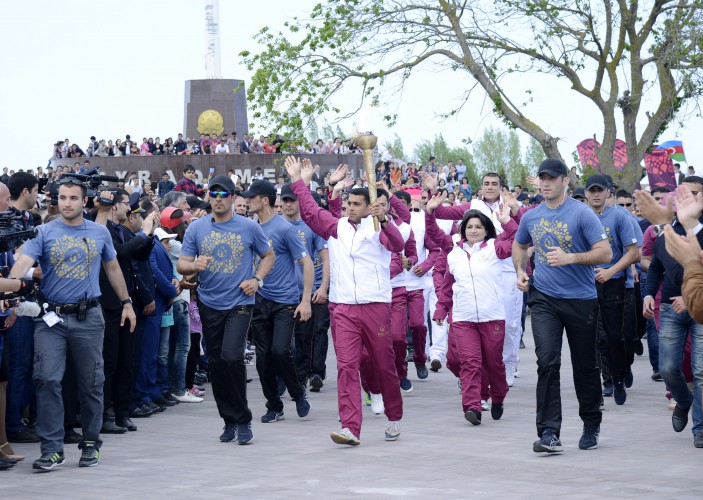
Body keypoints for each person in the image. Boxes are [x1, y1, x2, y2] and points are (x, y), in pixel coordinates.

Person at [10, 177, 136, 471]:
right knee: (47, 379)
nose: (67, 203)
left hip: (89, 316)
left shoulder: (99, 233)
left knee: (91, 382)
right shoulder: (43, 231)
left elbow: (113, 267)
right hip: (50, 319)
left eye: (73, 198)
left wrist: (127, 303)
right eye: (63, 198)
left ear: (84, 201)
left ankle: (91, 442)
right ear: (57, 200)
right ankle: (52, 448)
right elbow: (23, 262)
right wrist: (11, 286)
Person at [285, 156, 405, 446]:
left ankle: (393, 415)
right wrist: (298, 181)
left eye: (356, 204)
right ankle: (350, 426)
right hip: (344, 308)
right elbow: (312, 212)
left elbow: (398, 245)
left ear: (368, 207)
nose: (350, 208)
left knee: (383, 363)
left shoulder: (378, 228)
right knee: (347, 366)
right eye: (348, 203)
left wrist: (385, 219)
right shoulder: (336, 227)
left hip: (375, 305)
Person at [512, 159, 612, 453]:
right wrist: (521, 270)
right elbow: (519, 245)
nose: (545, 183)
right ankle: (548, 433)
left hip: (581, 300)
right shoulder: (531, 216)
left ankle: (591, 423)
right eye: (542, 178)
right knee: (547, 362)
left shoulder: (582, 214)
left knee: (585, 365)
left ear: (565, 181)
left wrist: (571, 258)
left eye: (552, 178)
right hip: (544, 298)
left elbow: (604, 252)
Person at [177, 175, 274, 445]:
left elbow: (268, 255)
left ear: (233, 198)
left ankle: (243, 419)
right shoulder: (197, 229)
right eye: (214, 194)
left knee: (232, 357)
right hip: (209, 303)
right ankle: (229, 419)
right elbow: (182, 264)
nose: (218, 199)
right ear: (209, 197)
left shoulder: (248, 227)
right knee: (218, 364)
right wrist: (195, 266)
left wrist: (257, 280)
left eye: (224, 194)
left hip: (239, 303)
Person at [429, 196, 516, 424]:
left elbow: (519, 239)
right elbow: (447, 286)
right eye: (469, 226)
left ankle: (498, 396)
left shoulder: (495, 249)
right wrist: (441, 309)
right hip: (463, 319)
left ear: (486, 230)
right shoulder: (453, 254)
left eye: (478, 226)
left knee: (493, 364)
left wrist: (507, 222)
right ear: (463, 230)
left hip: (492, 317)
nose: (474, 230)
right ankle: (473, 406)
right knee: (470, 363)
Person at [240, 180, 314, 422]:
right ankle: (274, 405)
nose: (247, 201)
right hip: (260, 300)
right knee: (263, 358)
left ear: (265, 200)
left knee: (280, 350)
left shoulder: (285, 229)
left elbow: (308, 263)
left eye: (252, 197)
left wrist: (305, 300)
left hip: (285, 301)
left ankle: (298, 393)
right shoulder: (250, 228)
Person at [643, 177, 703, 448]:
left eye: (694, 194)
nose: (687, 199)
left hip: (699, 309)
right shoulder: (665, 231)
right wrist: (647, 293)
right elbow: (655, 266)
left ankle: (699, 428)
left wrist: (692, 298)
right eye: (683, 194)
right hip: (669, 309)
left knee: (701, 371)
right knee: (667, 368)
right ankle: (684, 399)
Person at [584, 174, 640, 405]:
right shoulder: (579, 216)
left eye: (600, 190)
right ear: (586, 193)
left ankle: (619, 375)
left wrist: (610, 271)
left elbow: (633, 252)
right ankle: (601, 383)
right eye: (591, 190)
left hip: (614, 282)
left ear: (608, 192)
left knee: (616, 337)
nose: (596, 194)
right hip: (584, 284)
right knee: (591, 338)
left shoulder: (619, 217)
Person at [280, 184, 330, 390]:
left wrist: (324, 287)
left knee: (318, 330)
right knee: (298, 336)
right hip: (288, 292)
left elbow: (326, 259)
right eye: (285, 200)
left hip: (315, 288)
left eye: (292, 200)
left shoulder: (312, 226)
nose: (289, 204)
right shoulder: (277, 227)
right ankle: (298, 376)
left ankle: (316, 372)